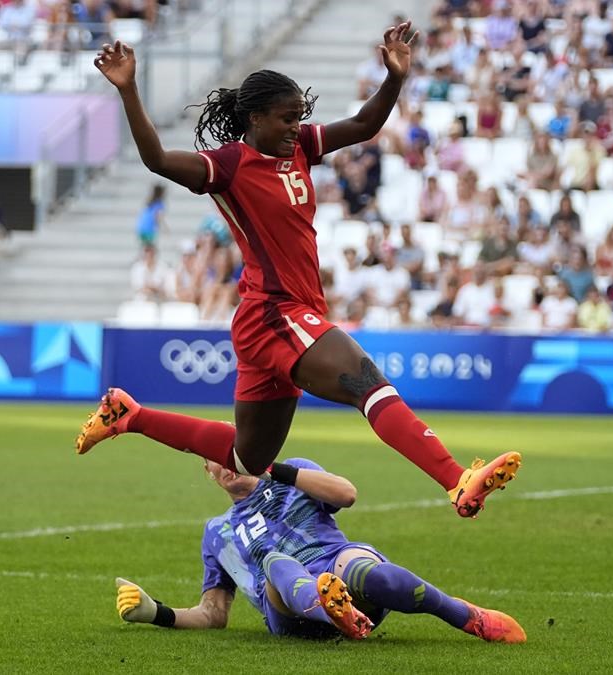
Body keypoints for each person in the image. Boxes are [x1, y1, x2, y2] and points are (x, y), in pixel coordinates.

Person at [77, 27, 522, 520]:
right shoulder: (228, 166)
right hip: (275, 311)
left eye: (299, 118)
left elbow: (363, 124)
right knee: (368, 384)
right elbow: (157, 159)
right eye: (287, 118)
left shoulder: (300, 148)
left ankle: (129, 415)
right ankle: (456, 479)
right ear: (256, 118)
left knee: (249, 459)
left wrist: (394, 79)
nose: (296, 127)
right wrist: (128, 89)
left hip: (281, 316)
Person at [114, 457, 526, 643]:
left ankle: (466, 617)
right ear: (208, 473)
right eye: (214, 460)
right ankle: (327, 604)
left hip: (340, 570)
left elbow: (346, 494)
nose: (226, 464)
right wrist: (157, 613)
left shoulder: (291, 469)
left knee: (373, 573)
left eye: (233, 451)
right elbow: (213, 614)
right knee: (276, 561)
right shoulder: (217, 532)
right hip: (290, 612)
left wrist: (279, 468)